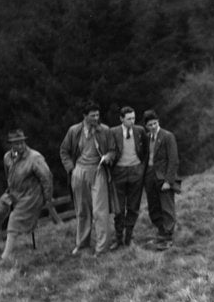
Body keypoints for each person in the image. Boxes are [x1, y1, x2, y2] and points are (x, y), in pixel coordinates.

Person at [0, 129, 62, 269]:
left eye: (21, 143)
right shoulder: (7, 157)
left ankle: (5, 259)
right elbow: (8, 174)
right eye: (16, 144)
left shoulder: (35, 157)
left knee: (14, 220)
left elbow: (47, 178)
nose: (20, 146)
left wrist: (48, 198)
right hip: (14, 192)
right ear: (11, 144)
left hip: (31, 195)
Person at [59, 100, 116, 256]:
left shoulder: (104, 130)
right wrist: (71, 168)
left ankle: (101, 247)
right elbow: (64, 151)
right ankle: (82, 244)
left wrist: (107, 157)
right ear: (85, 116)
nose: (96, 118)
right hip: (79, 172)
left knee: (100, 211)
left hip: (98, 171)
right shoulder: (74, 131)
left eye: (98, 115)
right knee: (82, 210)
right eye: (92, 116)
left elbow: (112, 150)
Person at [110, 106, 147, 249]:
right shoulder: (113, 132)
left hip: (135, 172)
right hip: (119, 173)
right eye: (129, 118)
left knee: (133, 206)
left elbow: (145, 151)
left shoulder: (140, 131)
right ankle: (118, 238)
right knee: (118, 208)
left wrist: (141, 167)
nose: (132, 121)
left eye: (133, 118)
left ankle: (128, 237)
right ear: (121, 119)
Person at [143, 109, 180, 249]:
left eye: (155, 123)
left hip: (163, 177)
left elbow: (173, 160)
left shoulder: (167, 136)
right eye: (150, 124)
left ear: (158, 122)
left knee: (167, 207)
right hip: (150, 176)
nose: (153, 126)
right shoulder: (146, 138)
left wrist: (168, 181)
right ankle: (161, 233)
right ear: (146, 126)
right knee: (154, 206)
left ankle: (168, 236)